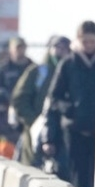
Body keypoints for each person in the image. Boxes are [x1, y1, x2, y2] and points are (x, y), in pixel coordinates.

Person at [42, 21, 95, 187]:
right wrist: (69, 110)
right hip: (75, 130)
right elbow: (54, 97)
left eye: (92, 41)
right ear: (78, 41)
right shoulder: (68, 64)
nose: (89, 45)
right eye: (85, 41)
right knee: (78, 175)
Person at [11, 34, 70, 167]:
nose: (59, 52)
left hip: (64, 134)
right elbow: (19, 98)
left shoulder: (71, 74)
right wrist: (34, 121)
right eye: (56, 47)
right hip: (34, 133)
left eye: (64, 48)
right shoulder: (38, 72)